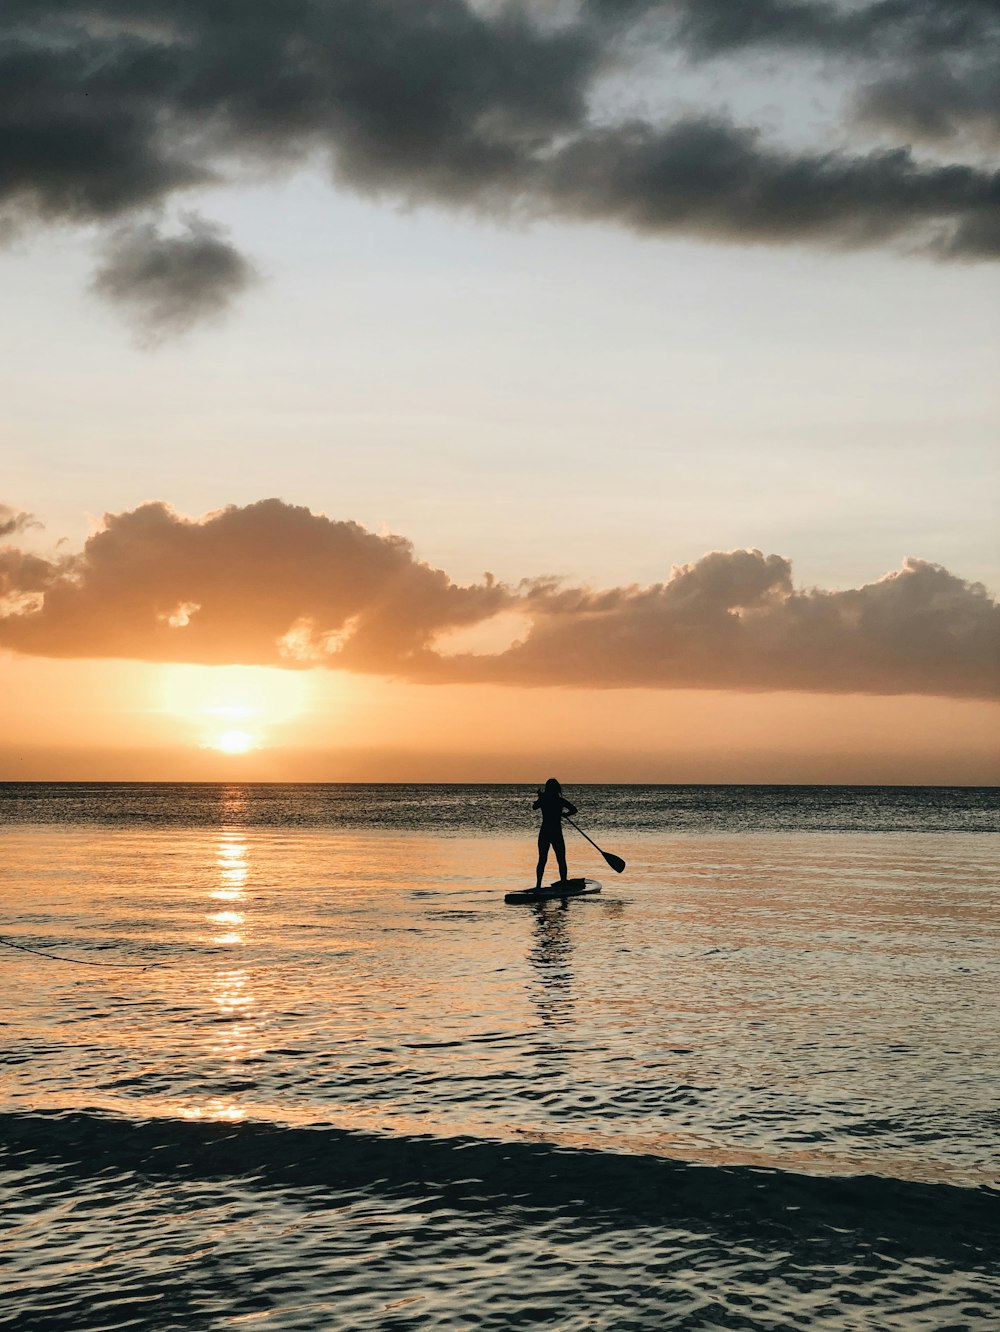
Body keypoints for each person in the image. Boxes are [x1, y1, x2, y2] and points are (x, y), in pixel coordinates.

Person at [532, 778, 577, 890]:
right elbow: (574, 809)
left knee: (542, 859)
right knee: (561, 859)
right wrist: (565, 814)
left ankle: (538, 885)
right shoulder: (559, 800)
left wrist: (540, 797)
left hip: (545, 832)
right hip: (556, 832)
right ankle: (563, 883)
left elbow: (534, 806)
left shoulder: (544, 799)